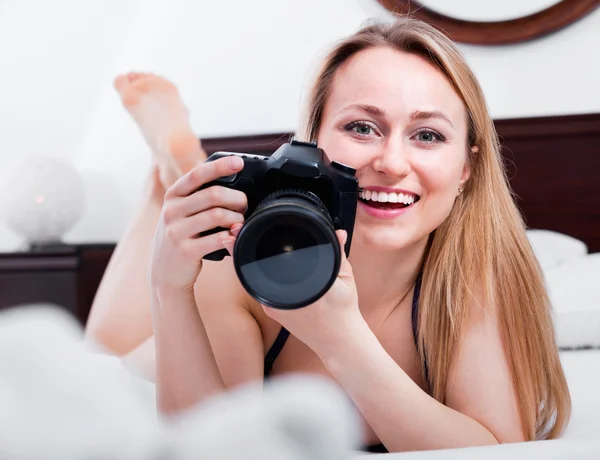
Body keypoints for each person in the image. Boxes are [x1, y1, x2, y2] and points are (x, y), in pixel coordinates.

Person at [85, 17, 571, 453]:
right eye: (362, 127)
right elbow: (215, 444)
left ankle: (179, 164)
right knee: (102, 352)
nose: (392, 163)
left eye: (428, 135)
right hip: (152, 350)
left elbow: (500, 450)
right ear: (313, 142)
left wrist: (342, 339)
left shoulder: (473, 275)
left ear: (467, 166)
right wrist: (168, 287)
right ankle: (173, 169)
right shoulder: (246, 252)